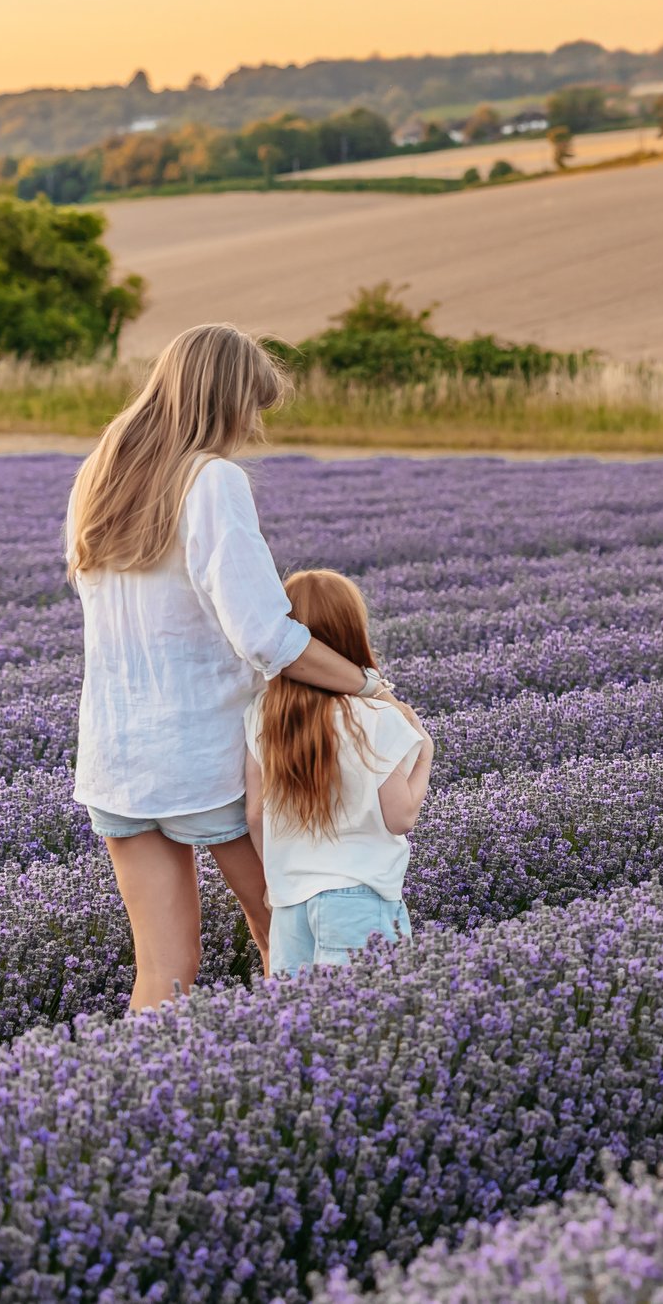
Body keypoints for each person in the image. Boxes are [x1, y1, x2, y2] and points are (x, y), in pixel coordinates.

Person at [67, 324, 391, 1009]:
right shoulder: (212, 480)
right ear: (224, 398)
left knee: (165, 970)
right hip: (205, 755)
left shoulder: (99, 476)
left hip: (117, 758)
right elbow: (266, 636)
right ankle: (294, 1083)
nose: (253, 426)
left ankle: (136, 1103)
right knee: (287, 930)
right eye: (252, 405)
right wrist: (366, 683)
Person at [245, 570, 431, 974]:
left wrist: (274, 880)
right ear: (352, 634)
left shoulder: (261, 716)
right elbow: (400, 817)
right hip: (359, 900)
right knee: (369, 1022)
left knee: (299, 1026)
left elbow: (256, 815)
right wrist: (425, 757)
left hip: (290, 903)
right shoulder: (376, 716)